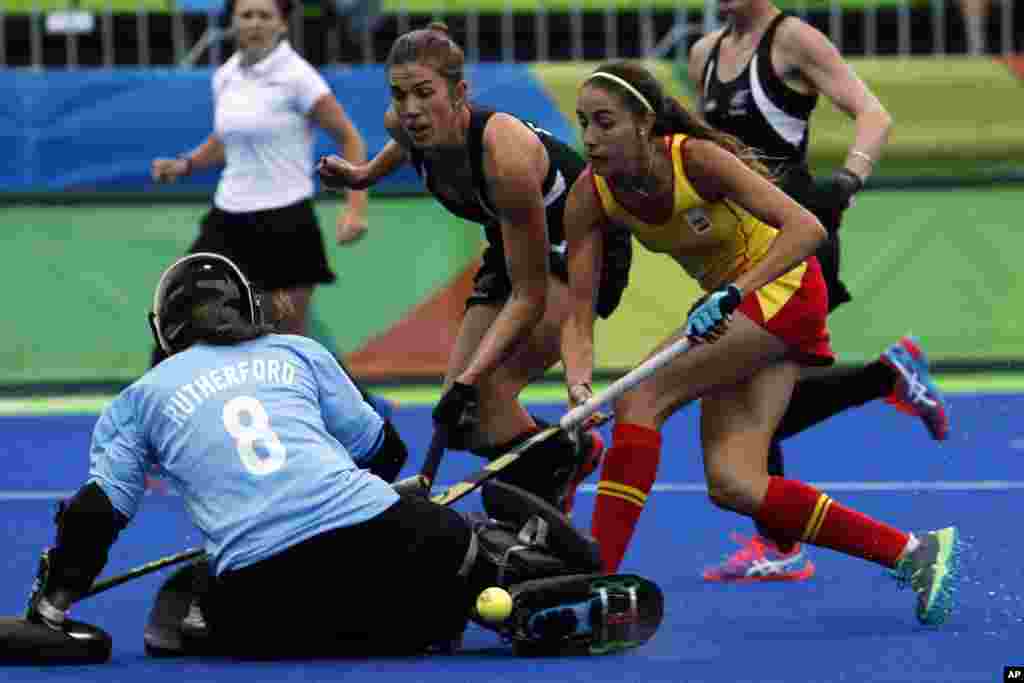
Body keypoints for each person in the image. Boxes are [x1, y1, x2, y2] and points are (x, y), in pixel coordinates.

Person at [21, 253, 659, 659]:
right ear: (246, 309)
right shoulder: (298, 352)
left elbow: (96, 512)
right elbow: (384, 452)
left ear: (162, 332)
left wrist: (52, 603)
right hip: (392, 541)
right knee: (449, 539)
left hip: (262, 594)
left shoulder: (136, 401)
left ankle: (407, 621)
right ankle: (509, 585)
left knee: (197, 614)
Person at [561, 61, 959, 626]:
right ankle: (913, 553)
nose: (591, 138)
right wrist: (578, 385)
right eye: (583, 123)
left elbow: (806, 229)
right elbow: (577, 312)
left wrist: (733, 292)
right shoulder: (591, 195)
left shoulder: (694, 160)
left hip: (784, 287)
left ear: (644, 124)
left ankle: (597, 585)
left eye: (605, 122)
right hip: (738, 307)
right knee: (735, 483)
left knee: (640, 399)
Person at [317, 23, 634, 513]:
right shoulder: (404, 124)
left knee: (485, 392)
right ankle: (564, 455)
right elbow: (404, 143)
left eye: (426, 93)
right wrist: (362, 176)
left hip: (581, 251)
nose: (411, 109)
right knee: (460, 420)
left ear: (460, 92)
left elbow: (529, 296)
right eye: (400, 95)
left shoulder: (503, 158)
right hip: (513, 245)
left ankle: (548, 495)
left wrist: (471, 379)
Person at [686, 0, 950, 581]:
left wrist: (847, 183)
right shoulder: (703, 54)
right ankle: (888, 375)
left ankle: (781, 545)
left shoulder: (792, 40)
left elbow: (873, 115)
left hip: (798, 237)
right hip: (742, 249)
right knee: (749, 405)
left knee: (750, 410)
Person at [150, 0, 370, 349]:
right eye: (246, 15)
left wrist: (355, 207)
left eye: (264, 16)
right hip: (227, 219)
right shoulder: (225, 75)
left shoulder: (298, 76)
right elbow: (225, 139)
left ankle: (340, 402)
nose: (254, 23)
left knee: (286, 340)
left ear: (282, 24)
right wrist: (186, 164)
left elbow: (350, 138)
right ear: (234, 22)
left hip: (286, 220)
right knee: (182, 312)